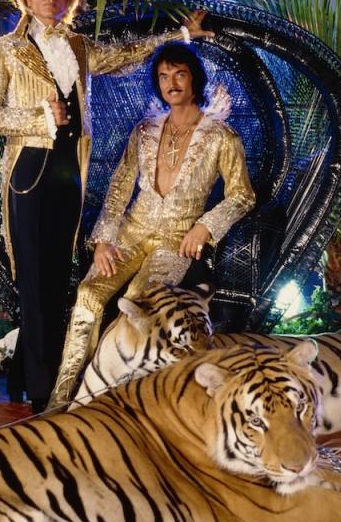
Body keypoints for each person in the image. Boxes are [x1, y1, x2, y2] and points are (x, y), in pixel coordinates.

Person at [0, 0, 212, 412]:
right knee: (37, 282)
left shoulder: (78, 46)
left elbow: (122, 56)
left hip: (68, 177)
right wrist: (39, 117)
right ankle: (43, 394)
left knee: (59, 281)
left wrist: (179, 35)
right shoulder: (3, 51)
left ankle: (30, 373)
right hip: (29, 173)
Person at [48, 41, 256, 408]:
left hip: (175, 242)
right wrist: (102, 242)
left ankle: (106, 401)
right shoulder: (143, 131)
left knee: (136, 305)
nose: (171, 82)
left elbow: (243, 196)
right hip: (131, 232)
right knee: (87, 297)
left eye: (179, 74)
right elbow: (118, 189)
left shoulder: (222, 137)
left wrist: (204, 227)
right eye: (163, 76)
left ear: (195, 79)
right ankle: (61, 401)